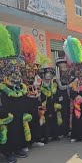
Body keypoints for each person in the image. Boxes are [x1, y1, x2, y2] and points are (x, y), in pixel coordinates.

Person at [0, 25, 31, 162]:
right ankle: (7, 152)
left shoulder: (18, 60)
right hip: (4, 94)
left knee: (18, 121)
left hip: (17, 93)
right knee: (7, 122)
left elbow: (20, 73)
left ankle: (17, 146)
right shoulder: (2, 62)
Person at [20, 35, 45, 149]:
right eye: (25, 54)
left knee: (36, 119)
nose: (27, 56)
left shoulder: (36, 69)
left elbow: (39, 83)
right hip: (25, 100)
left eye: (29, 54)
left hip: (35, 99)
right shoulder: (20, 69)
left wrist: (37, 84)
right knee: (26, 121)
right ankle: (26, 143)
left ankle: (35, 140)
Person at [55, 53, 72, 137]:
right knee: (62, 113)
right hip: (61, 98)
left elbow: (72, 85)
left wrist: (65, 86)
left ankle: (69, 130)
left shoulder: (71, 74)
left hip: (70, 97)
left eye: (63, 64)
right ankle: (63, 131)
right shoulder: (57, 75)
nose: (62, 67)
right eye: (60, 65)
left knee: (70, 113)